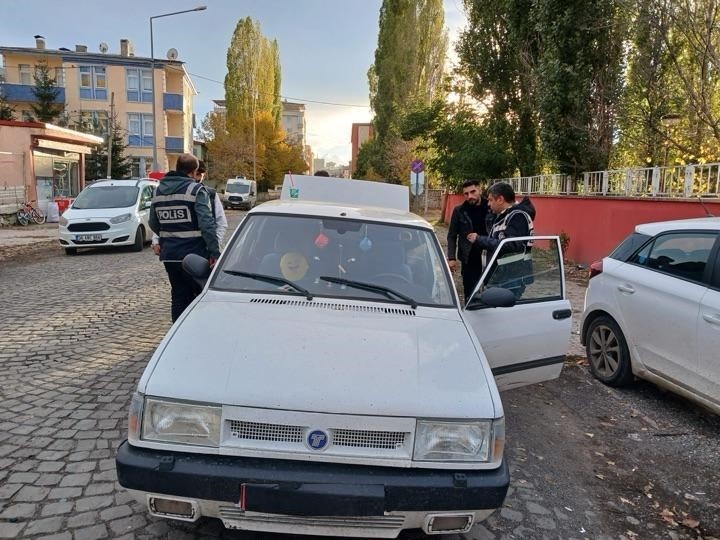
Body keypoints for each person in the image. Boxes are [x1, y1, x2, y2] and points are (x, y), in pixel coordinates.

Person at [150, 154, 220, 322]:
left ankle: (177, 333)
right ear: (193, 171)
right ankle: (196, 332)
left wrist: (168, 236)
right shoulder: (196, 190)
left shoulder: (159, 190)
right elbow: (207, 224)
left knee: (179, 296)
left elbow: (153, 223)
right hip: (194, 255)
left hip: (170, 256)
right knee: (198, 296)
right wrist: (215, 253)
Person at [468, 182, 535, 299]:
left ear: (500, 199)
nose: (488, 204)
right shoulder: (503, 216)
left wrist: (479, 239)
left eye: (490, 200)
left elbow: (510, 245)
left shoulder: (517, 217)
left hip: (511, 279)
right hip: (501, 278)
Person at [152, 160, 227, 250]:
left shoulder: (210, 194)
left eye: (199, 174)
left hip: (200, 249)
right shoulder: (176, 192)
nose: (196, 177)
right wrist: (156, 241)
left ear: (204, 175)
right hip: (176, 250)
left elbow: (220, 223)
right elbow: (161, 221)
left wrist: (214, 246)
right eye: (195, 173)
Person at [447, 180, 489, 301]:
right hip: (468, 258)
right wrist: (451, 258)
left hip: (490, 255)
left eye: (473, 192)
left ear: (479, 189)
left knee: (491, 292)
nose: (469, 196)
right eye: (466, 193)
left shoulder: (490, 207)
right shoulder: (459, 211)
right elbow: (452, 235)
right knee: (471, 295)